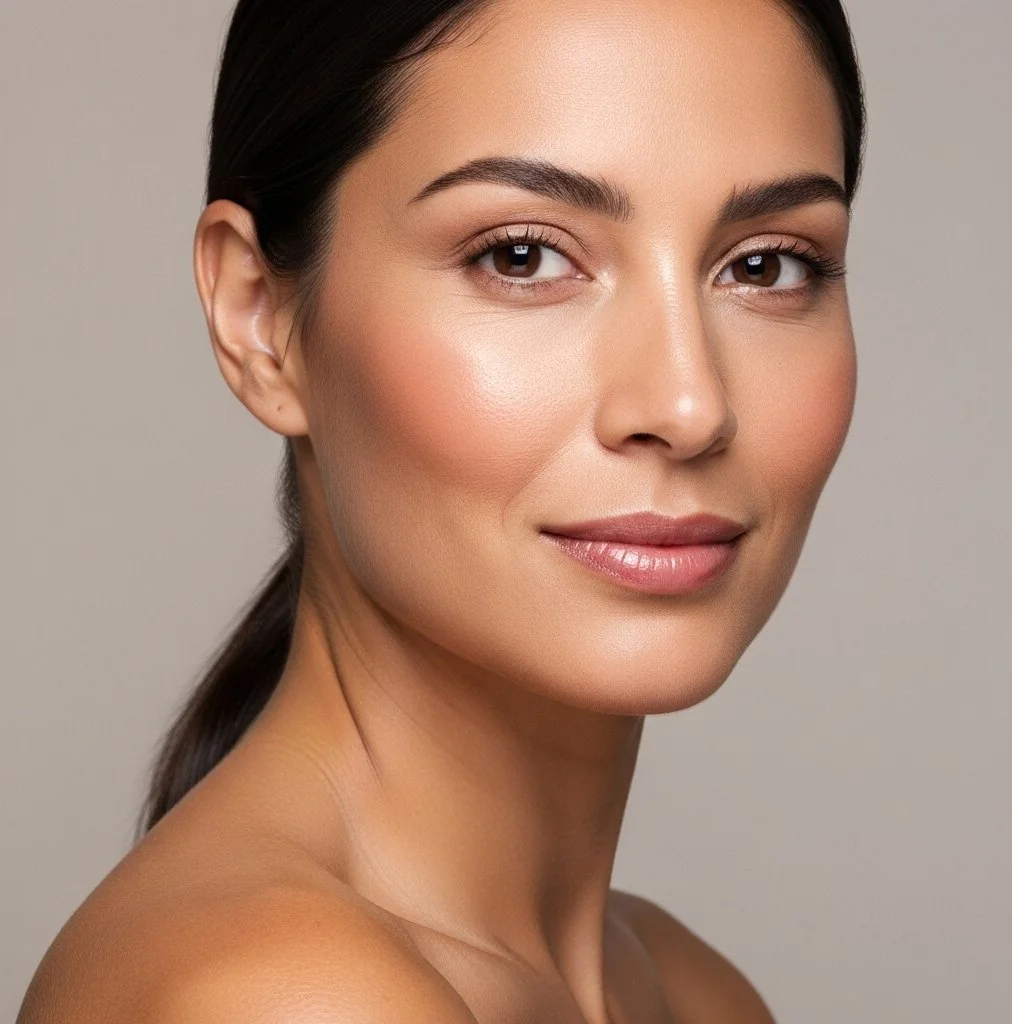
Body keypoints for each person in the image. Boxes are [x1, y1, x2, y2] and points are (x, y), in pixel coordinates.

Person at [17, 0, 866, 1020]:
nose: (688, 405)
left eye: (765, 265)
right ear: (258, 315)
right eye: (522, 256)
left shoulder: (689, 990)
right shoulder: (278, 996)